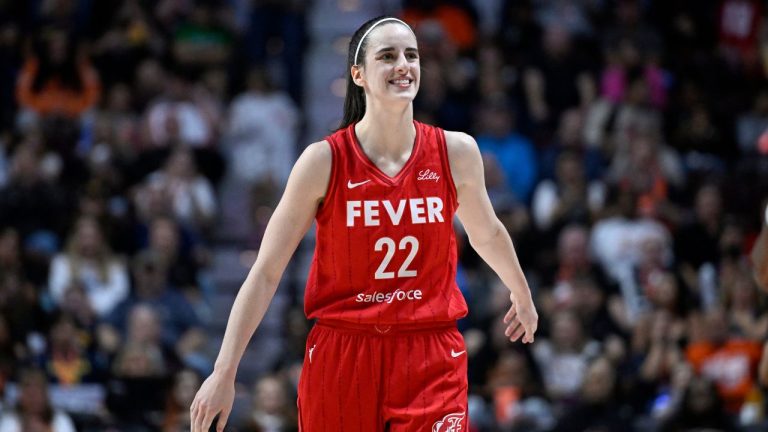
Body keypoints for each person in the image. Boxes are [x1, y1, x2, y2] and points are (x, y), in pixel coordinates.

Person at [190, 16, 538, 432]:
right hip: (343, 352)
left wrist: (521, 291)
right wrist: (224, 371)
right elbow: (265, 272)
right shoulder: (323, 161)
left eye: (411, 55)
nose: (403, 65)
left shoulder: (456, 151)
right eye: (387, 56)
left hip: (429, 350)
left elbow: (488, 232)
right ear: (358, 73)